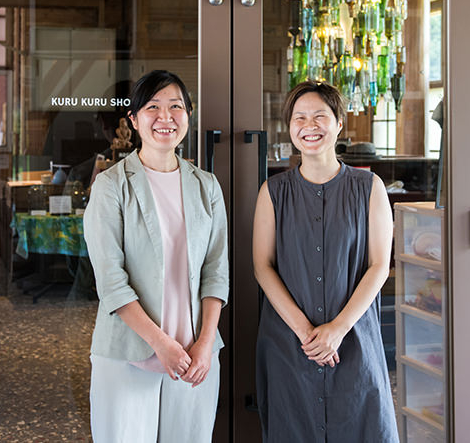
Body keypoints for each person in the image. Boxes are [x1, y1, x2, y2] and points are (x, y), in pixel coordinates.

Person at [83, 70, 229, 443]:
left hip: (194, 354)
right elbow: (112, 282)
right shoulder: (111, 185)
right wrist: (160, 344)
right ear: (133, 120)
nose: (166, 118)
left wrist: (206, 342)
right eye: (153, 108)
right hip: (129, 352)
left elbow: (216, 271)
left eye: (176, 107)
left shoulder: (206, 186)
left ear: (188, 115)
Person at [253, 80, 398, 442]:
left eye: (320, 116)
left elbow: (379, 265)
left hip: (353, 338)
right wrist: (307, 333)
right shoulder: (273, 192)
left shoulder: (369, 187)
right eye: (299, 118)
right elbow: (262, 266)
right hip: (289, 344)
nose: (309, 126)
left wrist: (337, 329)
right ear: (289, 128)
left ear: (338, 123)